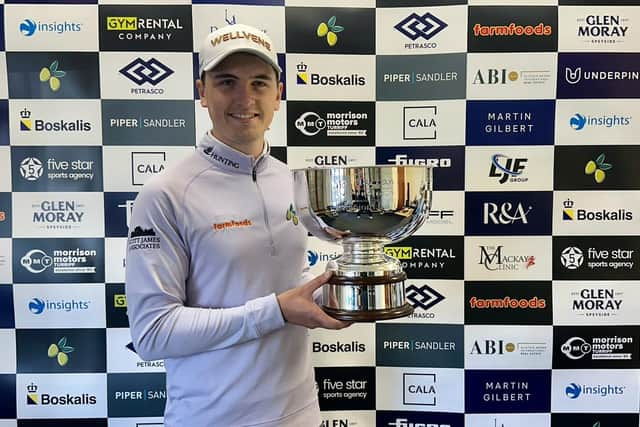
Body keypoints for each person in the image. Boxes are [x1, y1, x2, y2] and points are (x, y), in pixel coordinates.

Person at [125, 23, 350, 427]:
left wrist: (334, 293)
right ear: (202, 92)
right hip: (211, 418)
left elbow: (279, 283)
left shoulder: (295, 183)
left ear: (278, 95)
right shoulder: (166, 192)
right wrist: (277, 311)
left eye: (259, 82)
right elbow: (152, 333)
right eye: (227, 82)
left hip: (300, 414)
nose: (245, 98)